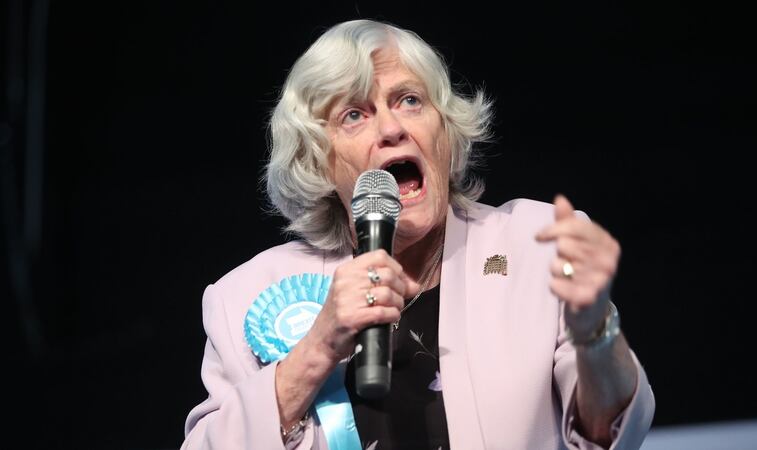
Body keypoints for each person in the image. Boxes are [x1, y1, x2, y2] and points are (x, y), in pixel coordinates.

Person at [181, 19, 654, 450]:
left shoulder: (537, 244)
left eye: (409, 100)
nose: (391, 128)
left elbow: (612, 434)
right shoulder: (243, 298)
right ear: (318, 161)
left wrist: (595, 333)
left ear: (445, 129)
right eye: (354, 115)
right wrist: (317, 350)